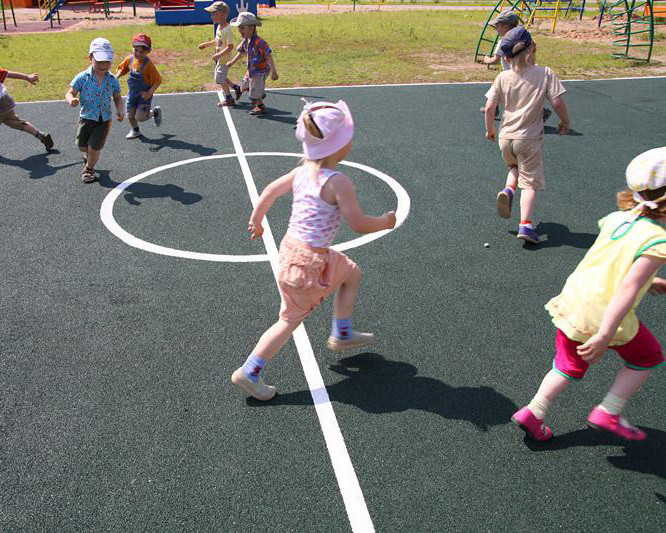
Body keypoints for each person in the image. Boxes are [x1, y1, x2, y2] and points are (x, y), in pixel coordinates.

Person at [231, 100, 397, 400]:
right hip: (309, 263)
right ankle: (250, 370)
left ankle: (343, 331)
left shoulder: (303, 172)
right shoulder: (338, 182)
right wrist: (385, 222)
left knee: (352, 272)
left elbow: (269, 191)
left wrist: (257, 221)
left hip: (292, 251)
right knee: (288, 321)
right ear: (339, 145)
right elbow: (358, 223)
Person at [512, 146, 666, 442]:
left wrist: (652, 281)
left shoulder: (616, 219)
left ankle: (534, 411)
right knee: (647, 357)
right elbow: (628, 286)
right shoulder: (658, 240)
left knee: (566, 364)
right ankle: (609, 410)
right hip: (605, 315)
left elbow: (614, 264)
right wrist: (606, 334)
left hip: (574, 302)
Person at [484, 26, 570, 245]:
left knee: (514, 167)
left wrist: (490, 130)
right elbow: (557, 101)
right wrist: (565, 121)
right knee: (530, 183)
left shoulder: (503, 76)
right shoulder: (544, 73)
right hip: (528, 139)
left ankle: (508, 188)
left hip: (506, 138)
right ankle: (526, 225)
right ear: (532, 47)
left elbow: (490, 105)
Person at [66, 37, 124, 183]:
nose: (104, 65)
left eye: (107, 61)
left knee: (94, 147)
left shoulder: (112, 79)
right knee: (82, 145)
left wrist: (120, 109)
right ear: (90, 58)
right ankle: (89, 156)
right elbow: (70, 92)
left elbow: (117, 96)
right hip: (86, 116)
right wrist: (71, 100)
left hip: (104, 119)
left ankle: (89, 169)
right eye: (99, 61)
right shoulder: (82, 77)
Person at [478, 11, 551, 122]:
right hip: (529, 72)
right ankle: (540, 111)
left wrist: (486, 59)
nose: (496, 29)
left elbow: (495, 60)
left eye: (496, 26)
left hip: (513, 74)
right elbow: (532, 55)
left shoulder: (503, 42)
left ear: (505, 26)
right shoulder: (526, 40)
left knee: (501, 90)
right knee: (523, 97)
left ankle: (491, 108)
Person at [226, 11, 279, 116]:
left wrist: (274, 72)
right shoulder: (245, 40)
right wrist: (232, 62)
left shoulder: (260, 43)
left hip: (260, 70)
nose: (239, 30)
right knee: (244, 86)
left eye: (242, 27)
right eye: (239, 28)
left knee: (254, 94)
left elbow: (269, 56)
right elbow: (241, 52)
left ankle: (260, 106)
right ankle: (259, 91)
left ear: (251, 28)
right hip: (251, 69)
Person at [115, 33, 163, 139]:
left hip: (144, 95)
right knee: (130, 115)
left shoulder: (148, 65)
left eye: (142, 51)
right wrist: (116, 77)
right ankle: (135, 131)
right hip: (132, 94)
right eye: (136, 50)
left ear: (148, 51)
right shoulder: (130, 59)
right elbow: (122, 68)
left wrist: (149, 93)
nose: (138, 53)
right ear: (132, 48)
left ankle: (154, 112)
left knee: (140, 117)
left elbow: (157, 81)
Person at [198, 1, 242, 107]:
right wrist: (206, 44)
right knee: (221, 77)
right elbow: (217, 41)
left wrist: (218, 55)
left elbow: (230, 46)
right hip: (220, 59)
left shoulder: (228, 29)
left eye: (214, 13)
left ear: (223, 14)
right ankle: (236, 87)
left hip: (225, 59)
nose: (211, 16)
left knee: (219, 78)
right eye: (211, 14)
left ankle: (229, 98)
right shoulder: (219, 27)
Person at [0, 68, 53, 151]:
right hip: (6, 103)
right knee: (19, 123)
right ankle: (40, 135)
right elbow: (9, 74)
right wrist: (27, 77)